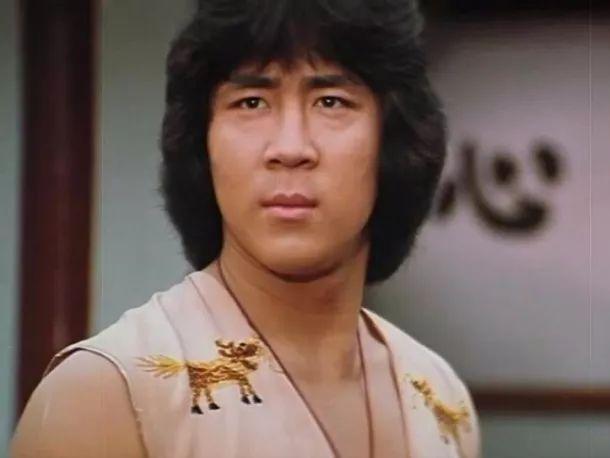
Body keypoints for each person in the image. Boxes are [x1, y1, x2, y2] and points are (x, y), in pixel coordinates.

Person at [12, 1, 478, 456]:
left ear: (393, 139)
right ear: (202, 141)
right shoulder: (107, 394)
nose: (290, 148)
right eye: (251, 102)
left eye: (330, 101)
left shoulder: (440, 399)